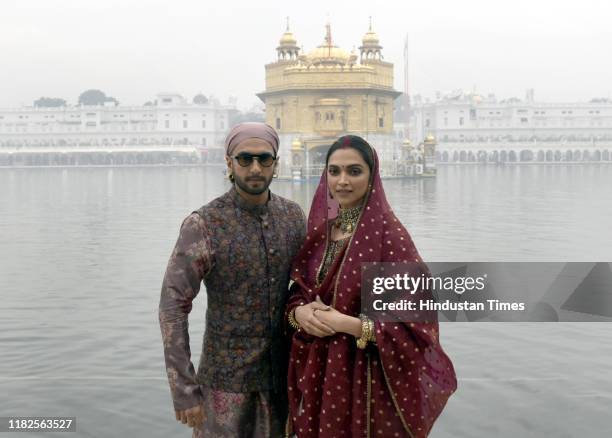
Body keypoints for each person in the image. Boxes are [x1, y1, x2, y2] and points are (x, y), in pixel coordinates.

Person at [285, 135, 457, 437]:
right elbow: (299, 292)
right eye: (334, 171)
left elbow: (415, 322)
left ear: (372, 176)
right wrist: (298, 314)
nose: (342, 181)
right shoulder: (323, 233)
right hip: (318, 372)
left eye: (354, 171)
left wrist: (347, 324)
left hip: (365, 376)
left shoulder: (388, 237)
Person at [159, 122, 306, 437]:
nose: (255, 167)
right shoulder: (205, 224)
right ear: (229, 162)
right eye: (245, 159)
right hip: (224, 386)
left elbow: (308, 289)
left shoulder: (292, 218)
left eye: (264, 159)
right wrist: (184, 389)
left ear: (275, 163)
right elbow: (172, 307)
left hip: (282, 383)